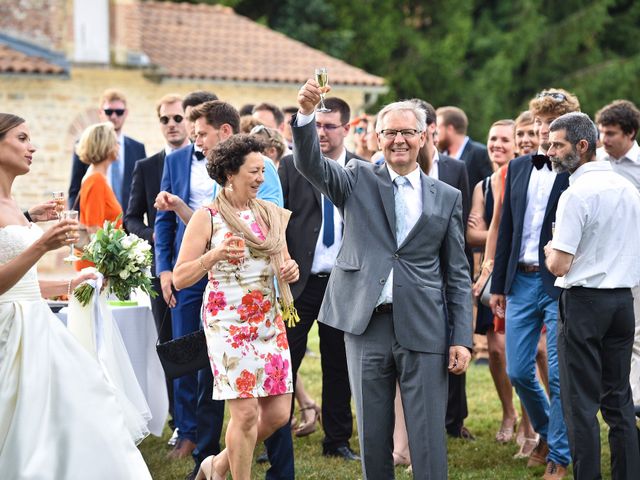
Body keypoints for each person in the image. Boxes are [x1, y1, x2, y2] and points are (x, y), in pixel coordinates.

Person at [293, 80, 472, 479]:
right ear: (378, 137)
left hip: (424, 324)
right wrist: (306, 116)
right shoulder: (355, 178)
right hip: (365, 323)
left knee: (427, 436)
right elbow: (309, 165)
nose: (399, 140)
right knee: (373, 436)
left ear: (424, 136)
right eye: (390, 132)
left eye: (408, 132)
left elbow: (457, 273)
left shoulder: (446, 196)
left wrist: (461, 335)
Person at [0, 112, 152, 479]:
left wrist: (71, 285)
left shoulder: (16, 208)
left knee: (88, 408)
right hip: (10, 332)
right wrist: (42, 247)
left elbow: (23, 284)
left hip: (37, 324)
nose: (32, 146)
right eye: (22, 138)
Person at [173, 134, 297, 480]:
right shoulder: (207, 216)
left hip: (269, 321)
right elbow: (181, 277)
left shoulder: (270, 214)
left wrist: (290, 268)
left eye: (263, 171)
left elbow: (283, 262)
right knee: (244, 415)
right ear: (230, 173)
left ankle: (216, 464)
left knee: (277, 416)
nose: (261, 178)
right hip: (228, 324)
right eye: (254, 171)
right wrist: (213, 255)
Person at [544, 111, 640, 479]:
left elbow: (559, 265)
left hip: (585, 303)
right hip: (622, 303)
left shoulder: (576, 193)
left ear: (582, 146)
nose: (550, 151)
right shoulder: (629, 189)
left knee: (579, 405)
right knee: (619, 400)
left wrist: (551, 246)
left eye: (558, 144)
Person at [490, 89, 579, 479]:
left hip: (559, 283)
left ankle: (559, 455)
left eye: (551, 124)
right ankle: (547, 431)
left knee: (558, 375)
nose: (542, 130)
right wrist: (497, 283)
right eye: (539, 122)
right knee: (519, 370)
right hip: (519, 282)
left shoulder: (576, 171)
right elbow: (507, 225)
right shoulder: (521, 167)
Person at [278, 96, 359, 460]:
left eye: (329, 126)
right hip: (300, 280)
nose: (321, 133)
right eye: (317, 126)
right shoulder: (290, 166)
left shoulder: (363, 169)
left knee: (338, 362)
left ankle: (337, 439)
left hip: (343, 282)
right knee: (286, 360)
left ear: (347, 128)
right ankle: (276, 437)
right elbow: (275, 222)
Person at [124, 92, 190, 435]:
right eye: (165, 119)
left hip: (202, 265)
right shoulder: (147, 167)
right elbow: (130, 217)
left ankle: (202, 418)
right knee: (169, 342)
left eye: (177, 118)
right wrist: (155, 235)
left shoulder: (203, 162)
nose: (171, 125)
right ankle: (178, 419)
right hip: (162, 266)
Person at [595, 99, 640, 408]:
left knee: (635, 334)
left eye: (611, 133)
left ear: (631, 133)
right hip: (600, 261)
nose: (604, 140)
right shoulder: (595, 162)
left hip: (635, 260)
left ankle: (633, 400)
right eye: (602, 132)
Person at [68, 88, 146, 213]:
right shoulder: (85, 145)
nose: (114, 116)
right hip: (96, 223)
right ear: (100, 112)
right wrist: (74, 222)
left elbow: (143, 192)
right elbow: (75, 189)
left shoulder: (138, 149)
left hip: (128, 225)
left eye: (119, 112)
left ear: (126, 113)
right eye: (109, 111)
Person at [74, 122, 123, 271]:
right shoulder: (96, 180)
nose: (118, 146)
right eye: (115, 142)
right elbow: (94, 229)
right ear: (106, 146)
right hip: (97, 269)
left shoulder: (97, 177)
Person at [436, 105, 493, 190]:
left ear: (450, 129)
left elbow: (489, 189)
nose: (435, 132)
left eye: (438, 127)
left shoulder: (480, 153)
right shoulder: (438, 156)